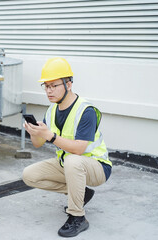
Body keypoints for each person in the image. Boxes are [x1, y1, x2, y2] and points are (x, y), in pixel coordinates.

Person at [22, 57, 112, 238]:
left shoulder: (85, 111)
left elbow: (79, 149)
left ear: (68, 84)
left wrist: (51, 136)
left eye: (54, 85)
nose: (49, 91)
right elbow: (38, 144)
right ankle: (81, 194)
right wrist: (34, 132)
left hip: (97, 167)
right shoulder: (52, 110)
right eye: (46, 86)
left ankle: (78, 218)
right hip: (69, 165)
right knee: (29, 175)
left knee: (73, 160)